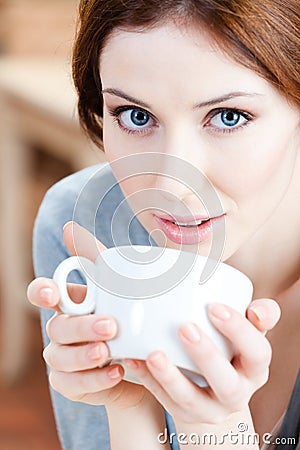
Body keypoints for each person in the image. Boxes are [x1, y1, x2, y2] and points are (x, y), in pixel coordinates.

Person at [27, 0, 300, 449]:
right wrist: (130, 401)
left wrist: (217, 433)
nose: (171, 185)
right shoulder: (84, 228)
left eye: (228, 117)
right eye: (136, 116)